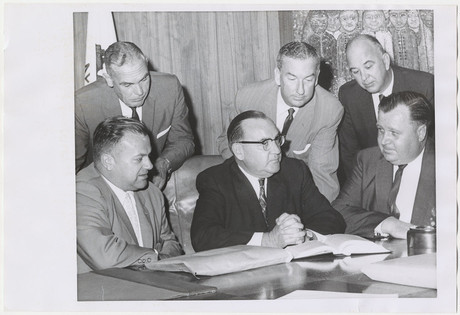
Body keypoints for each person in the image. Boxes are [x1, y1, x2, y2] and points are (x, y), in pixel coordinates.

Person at [193, 111, 346, 252]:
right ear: (239, 150)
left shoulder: (294, 171)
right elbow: (203, 237)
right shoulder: (215, 180)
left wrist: (305, 235)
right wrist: (268, 240)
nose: (277, 150)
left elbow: (331, 218)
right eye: (265, 143)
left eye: (277, 140)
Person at [217, 41, 344, 203]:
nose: (300, 90)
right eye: (292, 78)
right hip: (249, 182)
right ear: (278, 76)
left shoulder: (329, 110)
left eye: (308, 80)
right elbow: (227, 145)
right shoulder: (247, 98)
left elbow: (323, 176)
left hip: (297, 193)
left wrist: (312, 216)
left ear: (317, 77)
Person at [75, 41, 195, 189]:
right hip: (103, 187)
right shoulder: (83, 104)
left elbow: (183, 140)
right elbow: (71, 166)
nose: (139, 92)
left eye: (144, 79)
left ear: (146, 64)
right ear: (109, 79)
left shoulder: (169, 88)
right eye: (127, 85)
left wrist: (163, 163)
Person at [76, 116, 183, 273]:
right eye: (139, 159)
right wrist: (156, 258)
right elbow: (105, 256)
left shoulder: (152, 192)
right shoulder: (82, 192)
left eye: (149, 156)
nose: (150, 165)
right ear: (108, 161)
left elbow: (170, 243)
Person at [332, 91, 435, 239]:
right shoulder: (368, 160)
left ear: (421, 133)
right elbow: (338, 212)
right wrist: (387, 223)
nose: (384, 140)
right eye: (381, 130)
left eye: (394, 133)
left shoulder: (449, 166)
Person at [338, 34, 434, 182]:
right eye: (355, 71)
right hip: (372, 178)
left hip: (420, 175)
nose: (364, 77)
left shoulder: (424, 85)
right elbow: (350, 153)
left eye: (368, 66)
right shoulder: (348, 95)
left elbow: (436, 146)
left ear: (385, 60)